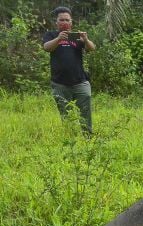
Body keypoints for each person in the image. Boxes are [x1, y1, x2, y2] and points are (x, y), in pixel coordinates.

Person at [43, 6, 96, 135]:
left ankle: (88, 137)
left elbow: (92, 48)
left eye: (67, 20)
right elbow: (46, 48)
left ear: (71, 22)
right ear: (56, 22)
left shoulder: (77, 37)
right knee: (65, 114)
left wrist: (86, 40)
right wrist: (59, 39)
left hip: (80, 81)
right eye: (61, 20)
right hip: (60, 83)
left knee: (85, 112)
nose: (65, 22)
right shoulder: (51, 35)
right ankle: (70, 139)